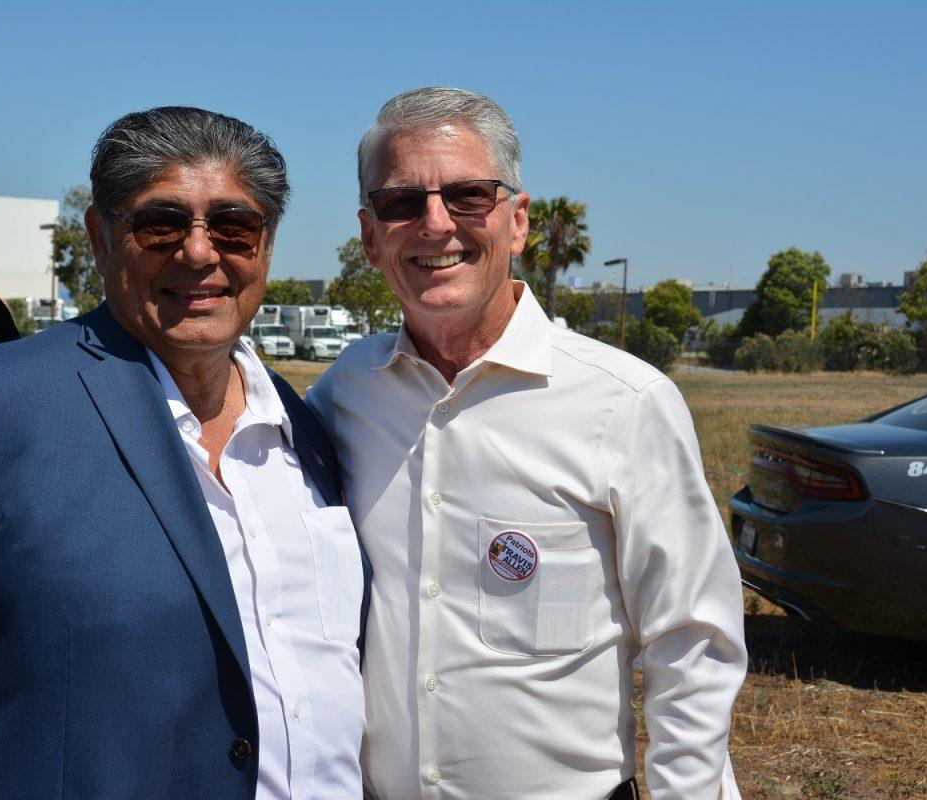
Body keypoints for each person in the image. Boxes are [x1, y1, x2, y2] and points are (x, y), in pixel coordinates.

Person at [0, 107, 368, 800]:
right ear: (100, 237)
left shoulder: (311, 431)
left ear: (265, 245)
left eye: (234, 227)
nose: (200, 253)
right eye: (162, 224)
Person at [307, 87, 747, 800]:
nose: (435, 223)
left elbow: (693, 644)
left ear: (517, 222)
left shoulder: (624, 404)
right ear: (368, 235)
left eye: (468, 195)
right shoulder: (343, 397)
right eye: (401, 202)